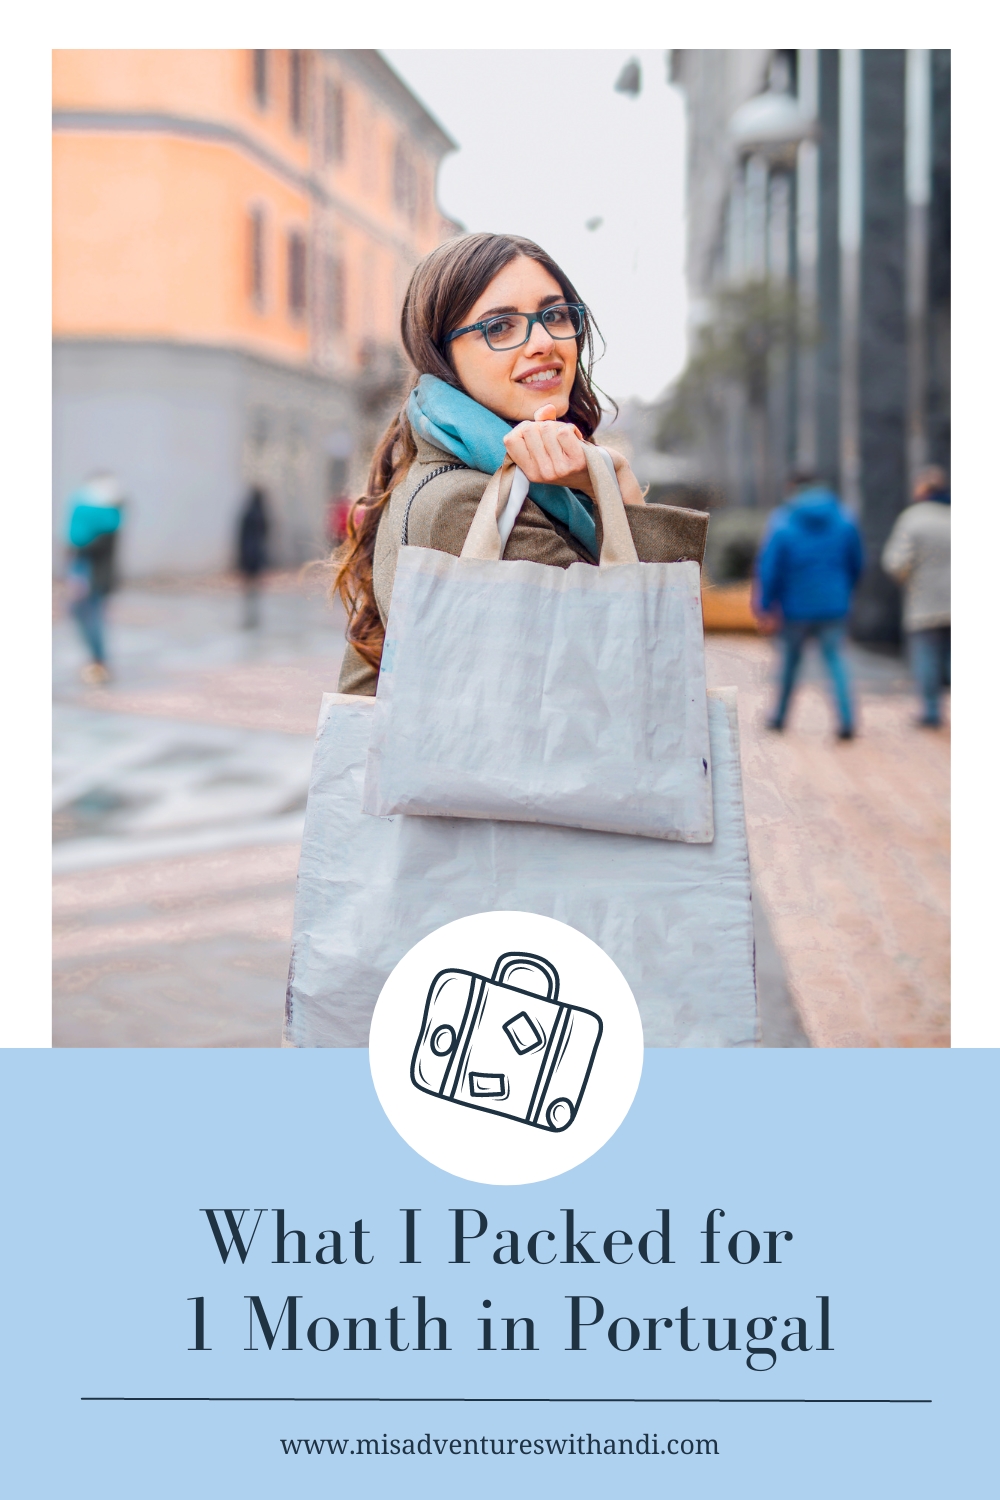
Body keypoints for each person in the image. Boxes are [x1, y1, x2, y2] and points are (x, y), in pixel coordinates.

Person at [333, 233, 709, 696]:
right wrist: (617, 483)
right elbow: (644, 668)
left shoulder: (464, 473)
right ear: (442, 354)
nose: (543, 342)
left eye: (555, 315)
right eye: (500, 327)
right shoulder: (472, 503)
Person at [755, 468, 864, 740]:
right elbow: (857, 562)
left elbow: (770, 568)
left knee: (790, 663)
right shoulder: (844, 518)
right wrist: (845, 590)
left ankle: (779, 718)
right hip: (834, 604)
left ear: (793, 488)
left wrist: (764, 605)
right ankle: (847, 721)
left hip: (795, 607)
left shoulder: (782, 520)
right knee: (836, 660)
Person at [881, 465, 951, 728]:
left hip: (925, 601)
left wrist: (908, 579)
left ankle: (932, 712)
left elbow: (896, 562)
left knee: (927, 658)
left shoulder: (913, 519)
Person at [65, 472, 126, 685]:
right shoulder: (108, 514)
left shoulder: (108, 516)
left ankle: (99, 662)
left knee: (92, 617)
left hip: (94, 575)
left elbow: (87, 546)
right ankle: (97, 660)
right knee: (83, 614)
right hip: (89, 572)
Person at [236, 487, 270, 628]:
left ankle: (250, 602)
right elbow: (266, 530)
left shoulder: (248, 513)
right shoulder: (259, 513)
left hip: (248, 549)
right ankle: (252, 602)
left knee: (249, 579)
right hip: (256, 550)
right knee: (254, 579)